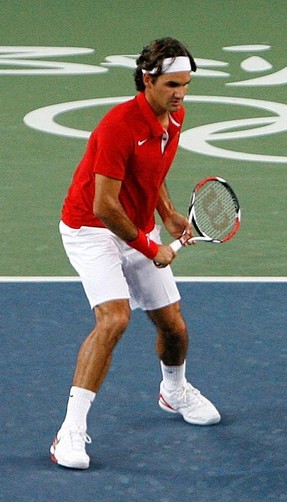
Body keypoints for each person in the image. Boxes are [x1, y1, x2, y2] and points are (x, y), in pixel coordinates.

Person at [51, 37, 220, 470]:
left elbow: (151, 173)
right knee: (115, 318)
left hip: (138, 226)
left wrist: (167, 213)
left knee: (174, 328)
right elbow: (103, 205)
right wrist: (149, 246)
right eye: (171, 85)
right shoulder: (117, 126)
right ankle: (70, 430)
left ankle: (173, 391)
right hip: (91, 230)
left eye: (185, 85)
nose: (180, 93)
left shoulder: (175, 117)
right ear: (147, 80)